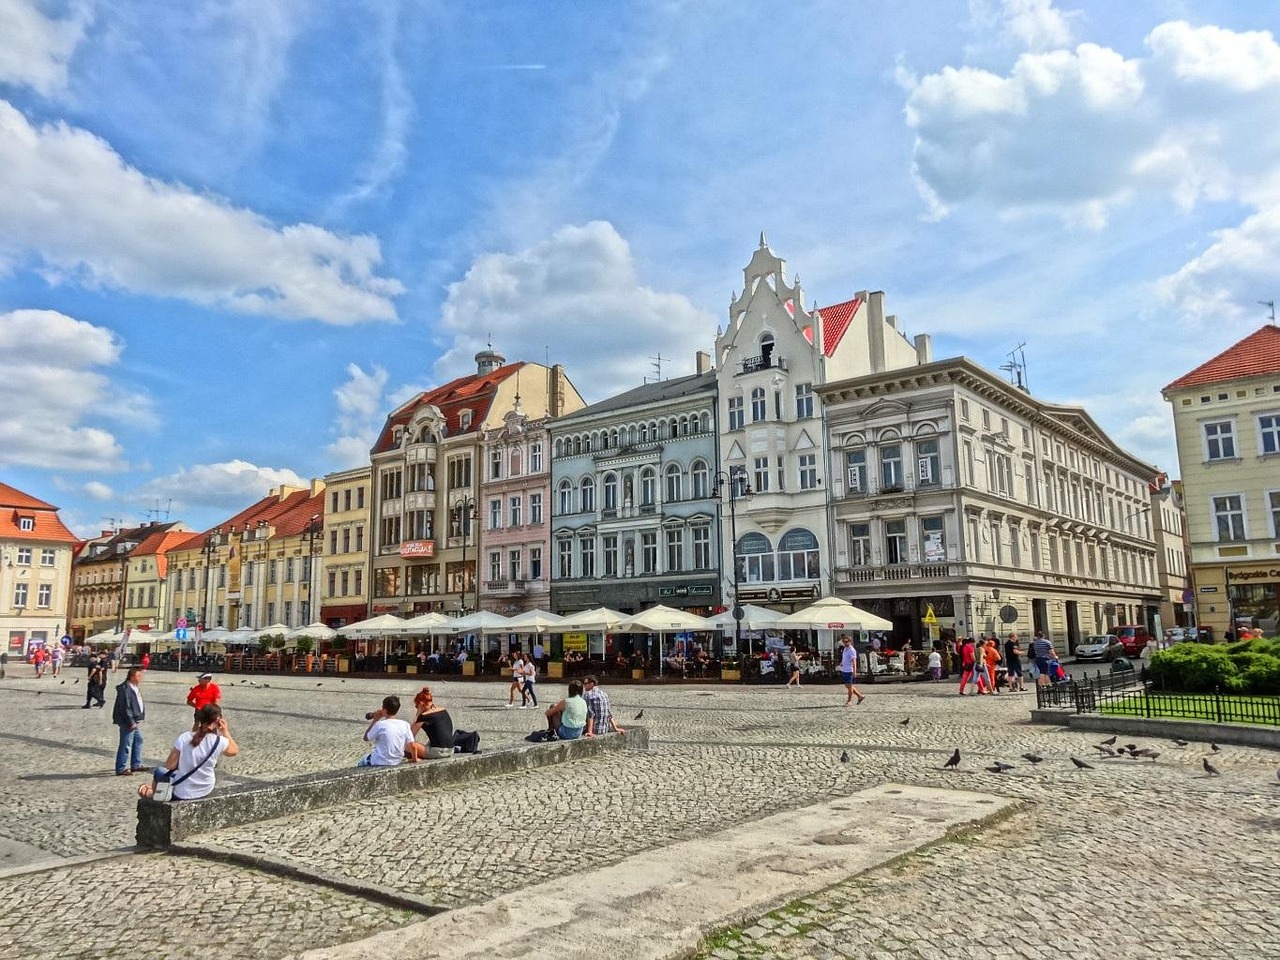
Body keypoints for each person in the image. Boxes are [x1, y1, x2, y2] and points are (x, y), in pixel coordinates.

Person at [138, 704, 239, 801]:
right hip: (206, 787)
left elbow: (170, 766)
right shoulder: (219, 741)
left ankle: (155, 794)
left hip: (183, 792)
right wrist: (225, 731)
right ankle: (153, 793)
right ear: (218, 721)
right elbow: (234, 751)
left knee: (159, 771)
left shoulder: (185, 737)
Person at [358, 695, 418, 766]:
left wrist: (375, 719)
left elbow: (366, 738)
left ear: (384, 710)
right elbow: (413, 746)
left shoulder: (379, 725)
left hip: (379, 762)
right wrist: (414, 760)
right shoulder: (405, 724)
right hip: (397, 761)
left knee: (362, 761)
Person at [112, 667, 146, 775]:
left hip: (134, 720)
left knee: (138, 740)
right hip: (128, 721)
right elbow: (125, 707)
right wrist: (130, 722)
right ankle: (120, 768)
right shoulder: (125, 689)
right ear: (132, 676)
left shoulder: (134, 686)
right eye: (138, 676)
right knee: (126, 744)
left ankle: (135, 764)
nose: (141, 678)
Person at [411, 687, 453, 759]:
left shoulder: (424, 716)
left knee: (408, 744)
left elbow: (410, 734)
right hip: (451, 749)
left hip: (439, 752)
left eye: (416, 706)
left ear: (420, 703)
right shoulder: (443, 710)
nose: (416, 708)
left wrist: (418, 713)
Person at [838, 635, 866, 706]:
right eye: (844, 641)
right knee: (848, 685)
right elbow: (844, 657)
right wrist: (842, 662)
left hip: (849, 670)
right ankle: (860, 696)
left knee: (849, 686)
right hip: (844, 669)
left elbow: (854, 661)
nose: (845, 643)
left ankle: (849, 701)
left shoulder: (852, 650)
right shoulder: (845, 649)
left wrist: (854, 671)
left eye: (846, 641)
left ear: (850, 642)